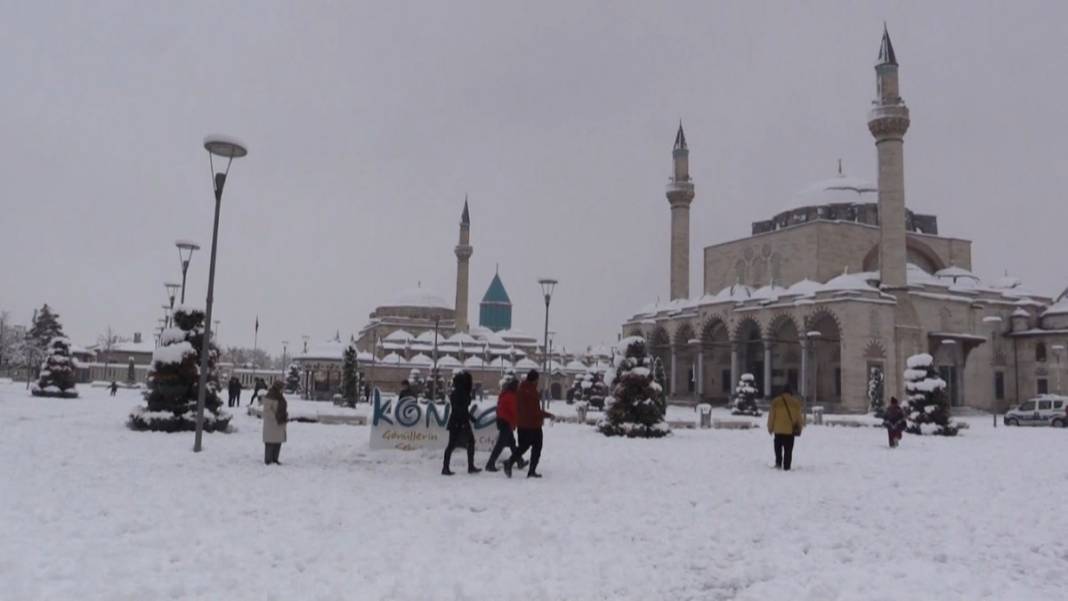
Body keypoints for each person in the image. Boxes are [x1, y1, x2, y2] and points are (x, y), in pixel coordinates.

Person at [503, 370, 554, 478]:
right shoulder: (530, 391)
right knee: (536, 447)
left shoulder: (521, 389)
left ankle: (511, 462)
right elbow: (534, 411)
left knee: (524, 446)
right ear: (535, 380)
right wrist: (548, 415)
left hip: (522, 424)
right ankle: (529, 470)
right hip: (532, 425)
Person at [442, 371, 481, 475]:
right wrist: (469, 419)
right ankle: (470, 467)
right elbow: (462, 409)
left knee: (451, 445)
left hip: (456, 421)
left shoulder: (455, 392)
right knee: (468, 442)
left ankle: (446, 468)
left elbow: (460, 409)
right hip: (460, 421)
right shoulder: (462, 393)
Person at [485, 379, 527, 472]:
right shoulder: (511, 396)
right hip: (506, 422)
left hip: (502, 420)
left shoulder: (505, 394)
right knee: (500, 445)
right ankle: (490, 464)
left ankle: (520, 461)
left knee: (512, 443)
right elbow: (514, 412)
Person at [767, 384, 804, 471]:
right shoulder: (795, 403)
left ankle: (778, 463)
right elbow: (799, 417)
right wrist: (800, 428)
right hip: (790, 430)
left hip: (778, 430)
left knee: (778, 448)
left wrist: (770, 428)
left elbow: (771, 416)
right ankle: (787, 466)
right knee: (788, 449)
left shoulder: (775, 402)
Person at [261, 381, 288, 465]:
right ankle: (268, 459)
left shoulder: (280, 396)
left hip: (280, 422)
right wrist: (275, 418)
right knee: (270, 442)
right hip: (272, 423)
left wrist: (284, 415)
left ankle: (275, 459)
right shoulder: (270, 396)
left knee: (277, 442)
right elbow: (267, 410)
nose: (283, 390)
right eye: (282, 388)